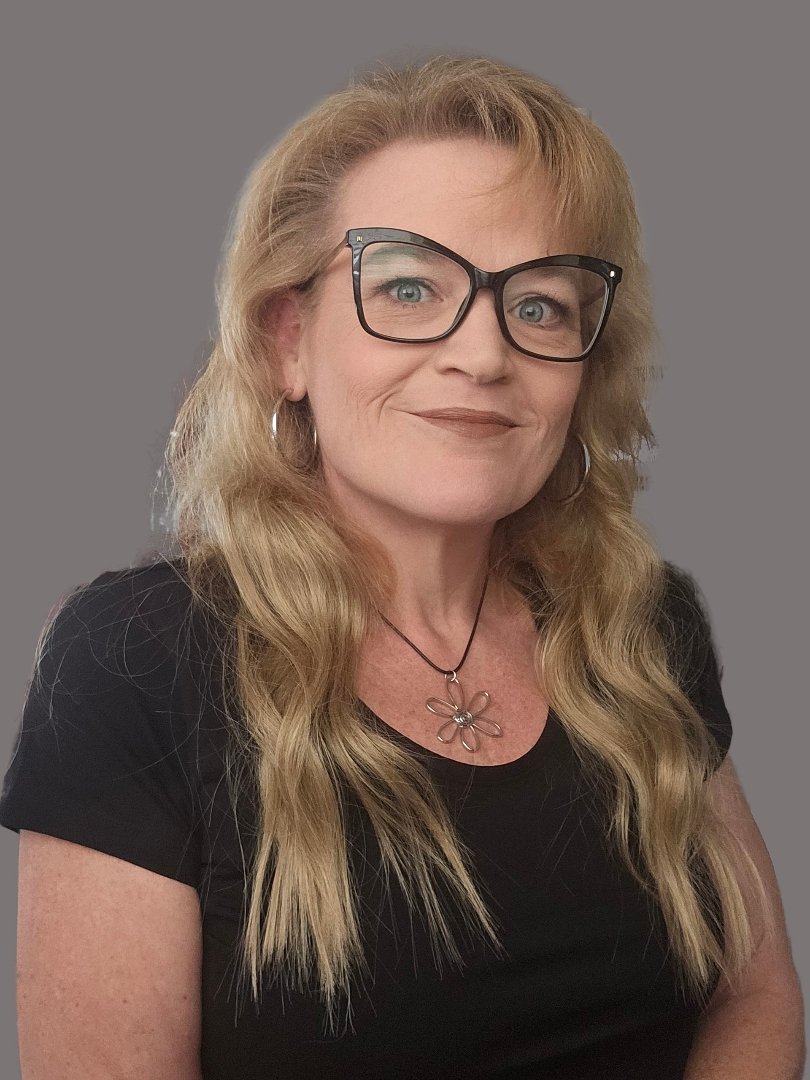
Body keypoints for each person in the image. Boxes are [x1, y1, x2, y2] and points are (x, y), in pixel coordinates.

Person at [0, 54, 803, 1080]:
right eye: (411, 286)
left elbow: (757, 991)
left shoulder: (640, 627)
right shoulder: (132, 666)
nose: (484, 354)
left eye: (543, 304)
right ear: (288, 340)